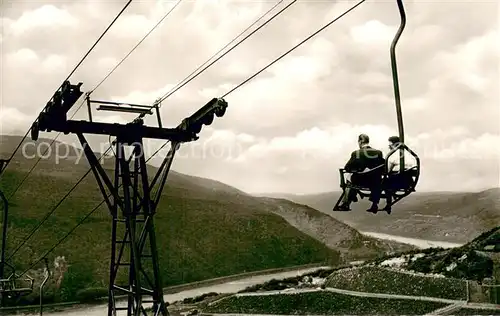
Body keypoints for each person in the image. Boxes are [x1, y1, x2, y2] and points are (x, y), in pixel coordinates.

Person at [334, 134, 385, 213]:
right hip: (375, 182)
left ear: (360, 141)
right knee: (376, 178)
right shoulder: (378, 153)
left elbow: (347, 167)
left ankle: (347, 202)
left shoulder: (356, 153)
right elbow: (383, 166)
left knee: (350, 179)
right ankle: (375, 204)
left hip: (360, 181)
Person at [384, 136, 415, 213]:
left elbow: (387, 171)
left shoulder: (392, 156)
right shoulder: (408, 154)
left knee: (384, 182)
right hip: (408, 182)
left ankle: (388, 204)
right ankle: (392, 195)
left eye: (390, 145)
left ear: (394, 145)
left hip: (397, 182)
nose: (389, 147)